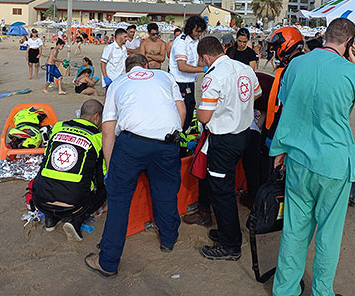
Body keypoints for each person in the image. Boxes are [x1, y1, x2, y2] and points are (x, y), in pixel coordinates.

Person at [269, 18, 355, 296]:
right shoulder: (351, 71)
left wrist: (280, 149)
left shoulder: (296, 64)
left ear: (325, 36)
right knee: (328, 235)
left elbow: (287, 107)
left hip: (298, 158)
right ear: (349, 43)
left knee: (295, 229)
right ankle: (322, 292)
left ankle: (285, 289)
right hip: (333, 162)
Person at [86, 54, 186, 278]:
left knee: (119, 200)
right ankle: (168, 238)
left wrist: (112, 168)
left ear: (126, 69)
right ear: (147, 66)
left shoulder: (118, 83)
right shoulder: (165, 77)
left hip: (132, 144)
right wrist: (168, 135)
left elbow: (108, 129)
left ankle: (108, 261)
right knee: (166, 192)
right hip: (167, 142)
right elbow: (181, 111)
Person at [195, 37, 261, 261]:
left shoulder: (213, 75)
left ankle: (230, 244)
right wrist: (236, 105)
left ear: (205, 57)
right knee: (225, 187)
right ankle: (226, 231)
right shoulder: (243, 67)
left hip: (224, 139)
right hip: (243, 134)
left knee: (222, 192)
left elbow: (204, 115)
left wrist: (204, 112)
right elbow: (257, 93)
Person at [32, 99, 106, 240]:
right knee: (102, 190)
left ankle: (50, 219)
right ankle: (76, 219)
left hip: (40, 199)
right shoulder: (98, 138)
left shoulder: (58, 127)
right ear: (97, 117)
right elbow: (101, 176)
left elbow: (46, 156)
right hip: (73, 203)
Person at [169, 15, 207, 131]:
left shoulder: (196, 41)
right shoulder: (181, 42)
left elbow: (199, 62)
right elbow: (182, 66)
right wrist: (205, 70)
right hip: (179, 82)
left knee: (190, 110)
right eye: (197, 31)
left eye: (201, 32)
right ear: (190, 28)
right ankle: (178, 137)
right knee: (181, 113)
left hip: (190, 81)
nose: (199, 34)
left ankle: (183, 135)